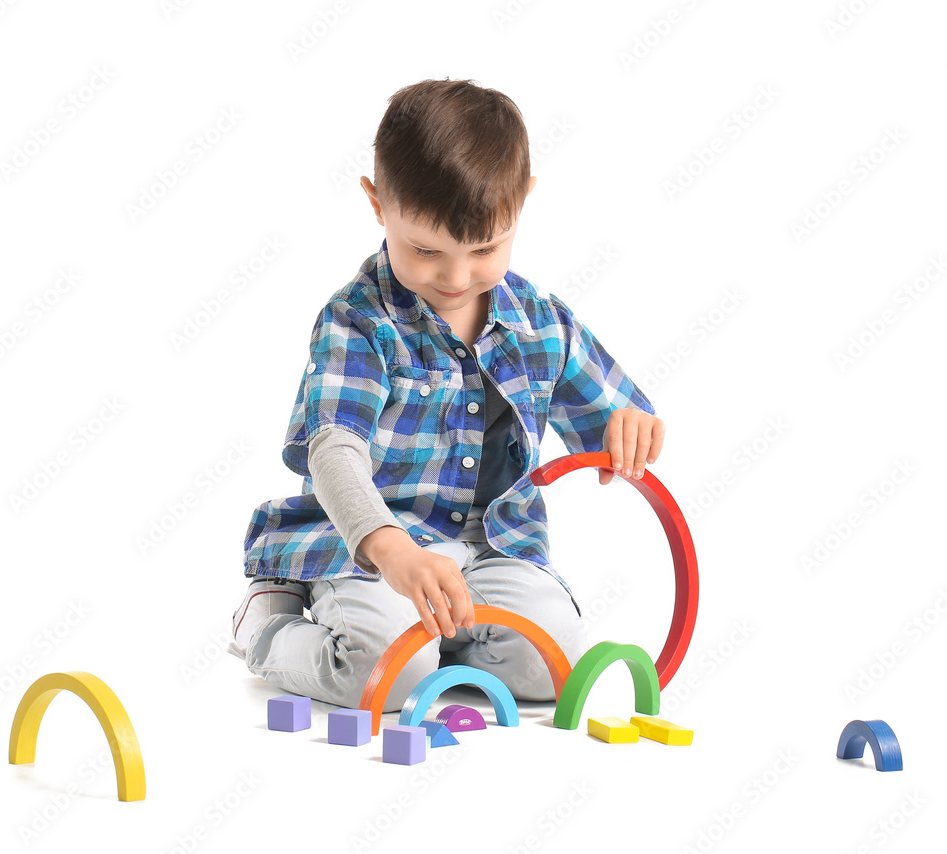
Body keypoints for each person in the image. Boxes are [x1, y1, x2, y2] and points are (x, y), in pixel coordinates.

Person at [229, 78, 664, 712]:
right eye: (426, 250)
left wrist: (633, 428)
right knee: (383, 679)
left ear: (524, 203)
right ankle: (270, 625)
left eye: (485, 248)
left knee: (559, 669)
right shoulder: (358, 321)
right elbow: (331, 450)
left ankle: (443, 643)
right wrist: (393, 550)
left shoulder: (541, 322)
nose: (455, 278)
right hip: (378, 551)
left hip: (495, 549)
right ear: (378, 204)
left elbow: (617, 423)